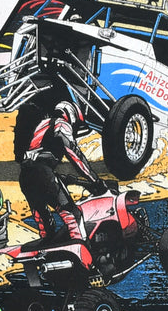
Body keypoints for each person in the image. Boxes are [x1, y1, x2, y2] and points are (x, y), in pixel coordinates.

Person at [18, 100, 108, 240]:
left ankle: (47, 247)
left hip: (25, 176)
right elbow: (74, 155)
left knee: (44, 221)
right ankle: (82, 247)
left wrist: (68, 179)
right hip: (42, 173)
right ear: (71, 115)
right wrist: (95, 181)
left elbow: (39, 158)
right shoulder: (61, 124)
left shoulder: (43, 125)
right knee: (73, 215)